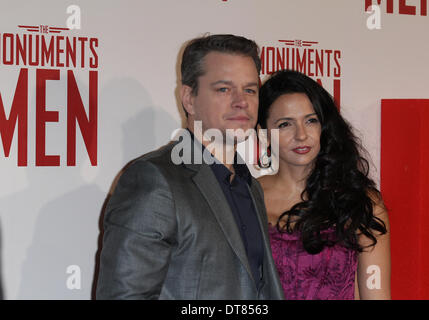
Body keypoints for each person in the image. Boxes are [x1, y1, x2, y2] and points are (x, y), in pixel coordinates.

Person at [96, 34, 284, 300]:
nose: (241, 101)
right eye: (224, 89)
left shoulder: (250, 185)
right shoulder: (154, 180)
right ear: (189, 98)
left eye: (250, 89)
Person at [256, 70, 391, 300]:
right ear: (264, 133)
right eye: (285, 124)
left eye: (311, 120)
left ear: (324, 127)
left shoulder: (360, 202)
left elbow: (376, 295)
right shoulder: (247, 196)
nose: (301, 135)